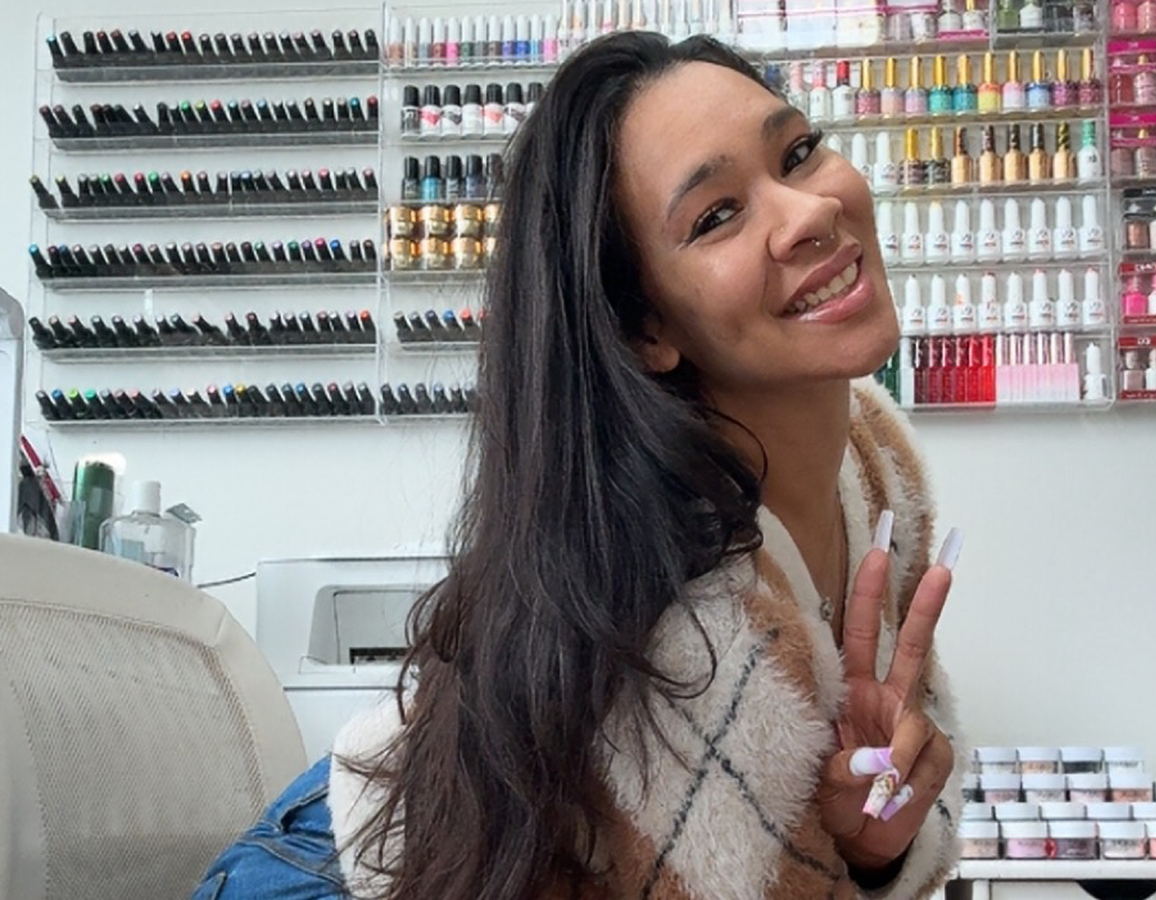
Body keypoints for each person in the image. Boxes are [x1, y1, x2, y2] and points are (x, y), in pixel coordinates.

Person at [192, 30, 965, 900]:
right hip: (332, 869)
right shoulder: (692, 630)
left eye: (797, 153)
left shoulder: (875, 471)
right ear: (646, 329)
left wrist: (874, 847)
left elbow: (880, 776)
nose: (809, 212)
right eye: (716, 216)